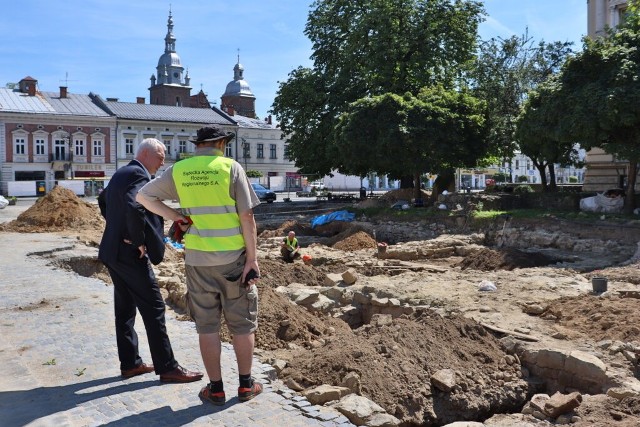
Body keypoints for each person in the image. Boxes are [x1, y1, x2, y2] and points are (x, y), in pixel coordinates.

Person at [136, 125, 262, 406]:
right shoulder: (230, 167)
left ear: (197, 145)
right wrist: (252, 260)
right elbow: (246, 216)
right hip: (234, 261)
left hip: (197, 261)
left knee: (207, 327)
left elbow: (143, 197)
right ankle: (245, 385)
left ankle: (215, 388)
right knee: (241, 326)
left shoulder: (180, 170)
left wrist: (177, 217)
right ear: (220, 143)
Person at [98, 138, 203, 383]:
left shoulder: (122, 172)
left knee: (124, 308)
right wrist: (136, 240)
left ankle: (130, 363)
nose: (163, 161)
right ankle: (167, 367)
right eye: (161, 155)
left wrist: (117, 229)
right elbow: (135, 206)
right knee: (154, 307)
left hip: (112, 252)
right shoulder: (138, 174)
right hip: (130, 255)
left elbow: (103, 201)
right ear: (146, 154)